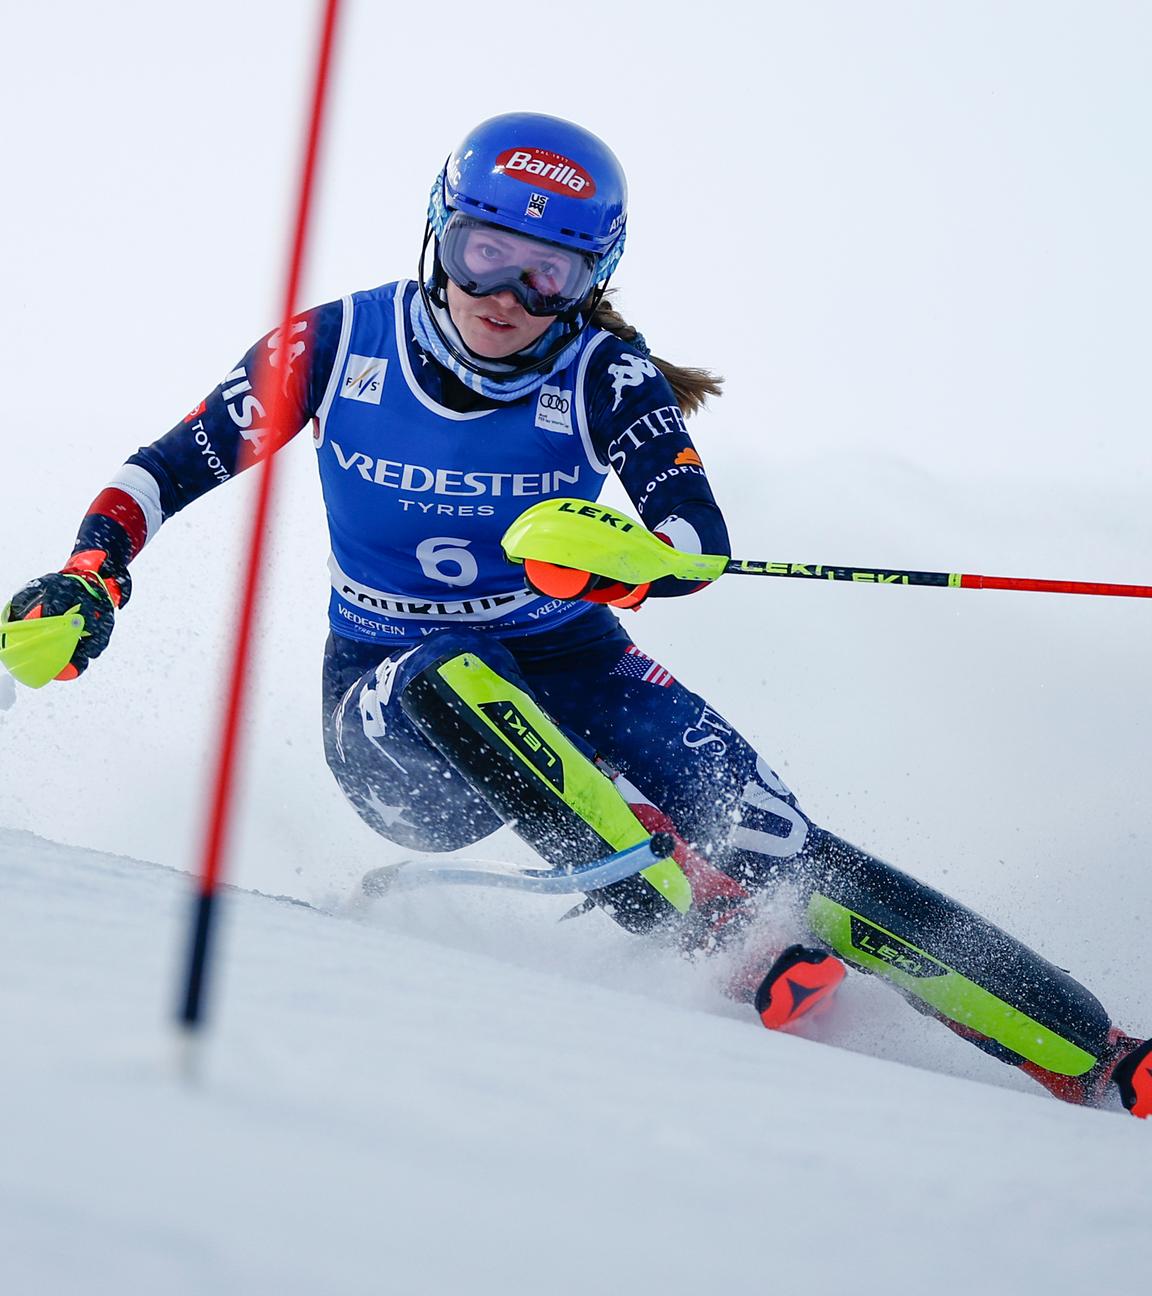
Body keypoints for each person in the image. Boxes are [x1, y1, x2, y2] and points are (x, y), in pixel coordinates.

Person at [7, 111, 1149, 1118]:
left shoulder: (605, 374)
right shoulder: (340, 343)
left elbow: (697, 540)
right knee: (446, 670)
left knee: (782, 843)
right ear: (437, 234)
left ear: (591, 273)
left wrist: (622, 565)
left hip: (572, 659)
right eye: (481, 251)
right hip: (392, 715)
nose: (503, 295)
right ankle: (706, 929)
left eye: (545, 274)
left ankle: (1090, 1056)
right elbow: (170, 463)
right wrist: (88, 574)